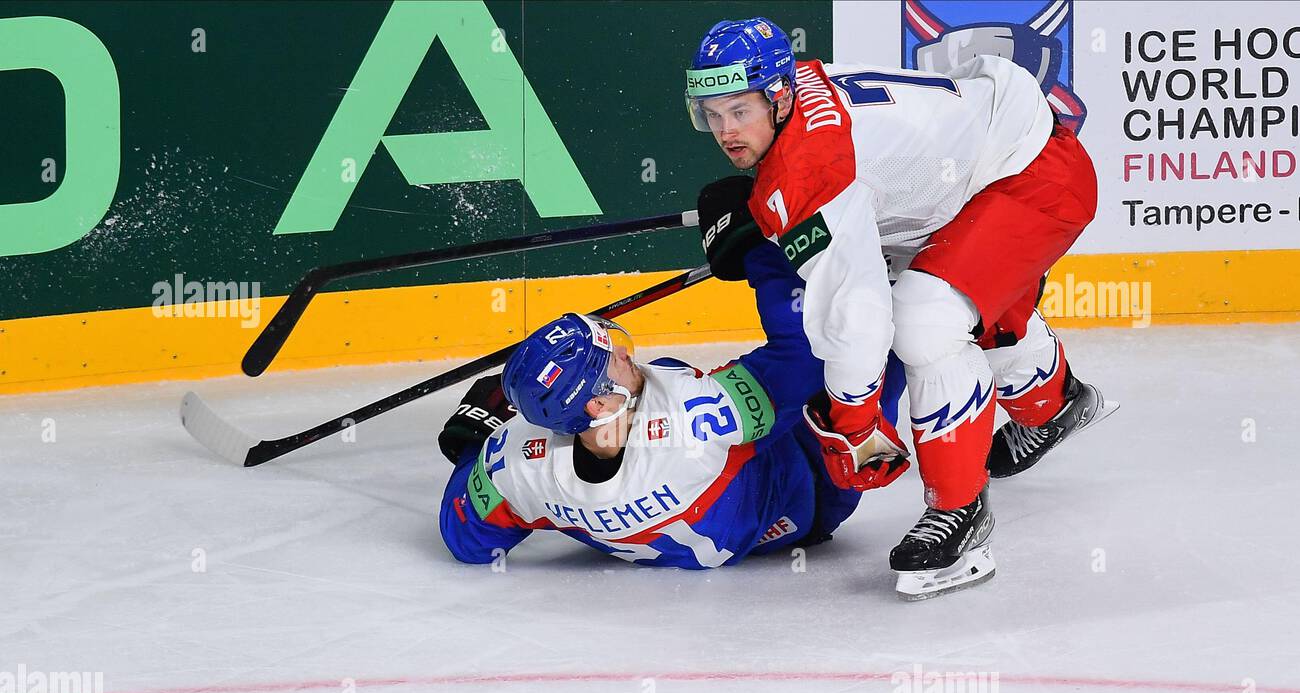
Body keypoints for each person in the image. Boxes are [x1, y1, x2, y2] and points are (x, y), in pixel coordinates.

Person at [685, 16, 1114, 599]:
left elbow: (857, 318)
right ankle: (1054, 402)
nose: (725, 129)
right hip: (975, 172)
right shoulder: (802, 104)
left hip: (1032, 177)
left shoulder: (807, 169)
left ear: (779, 96)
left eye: (740, 111)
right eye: (712, 113)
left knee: (923, 319)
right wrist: (768, 212)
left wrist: (853, 423)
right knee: (957, 304)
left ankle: (960, 515)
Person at [437, 184, 904, 570]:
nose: (625, 349)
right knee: (879, 343)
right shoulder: (698, 422)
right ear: (599, 403)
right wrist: (756, 248)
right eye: (613, 358)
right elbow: (810, 353)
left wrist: (472, 450)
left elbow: (466, 540)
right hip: (808, 489)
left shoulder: (515, 462)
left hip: (715, 520)